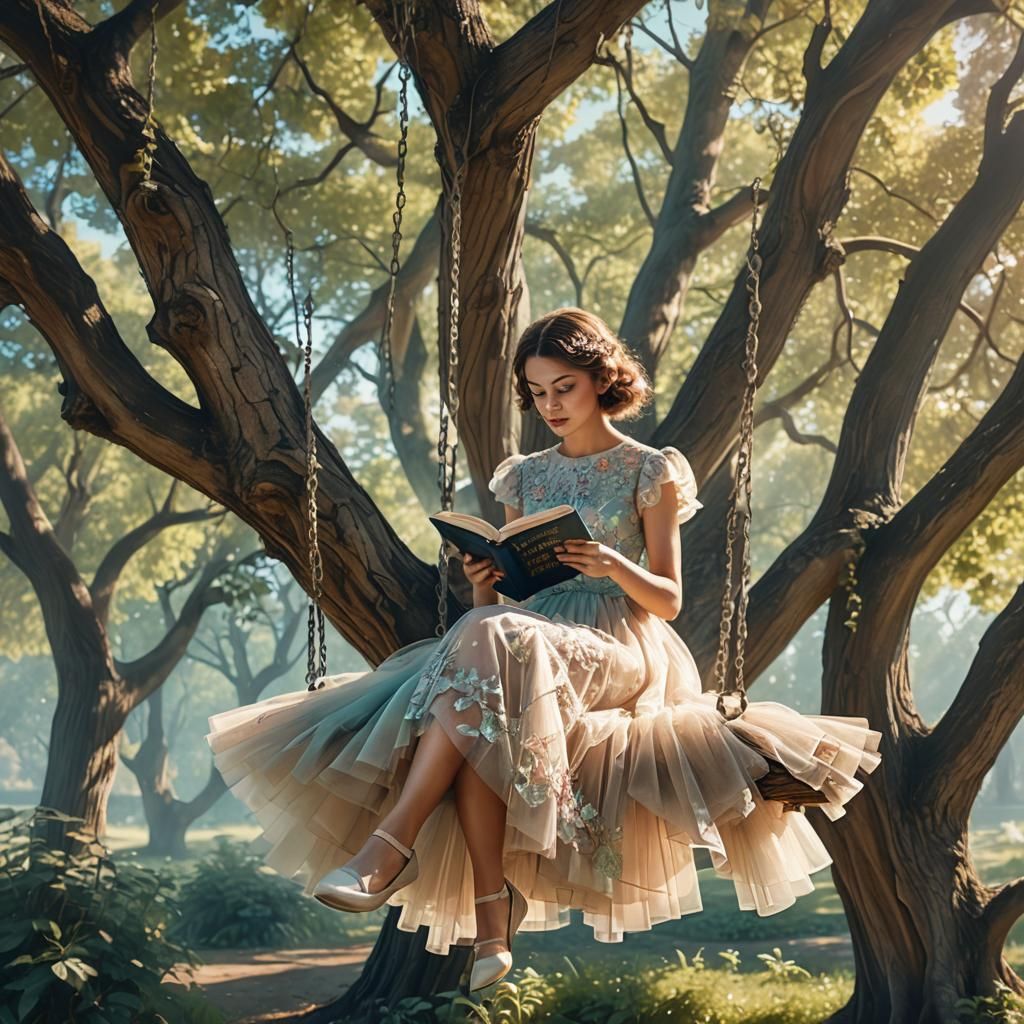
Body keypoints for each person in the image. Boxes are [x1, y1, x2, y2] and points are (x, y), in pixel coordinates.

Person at [205, 306, 882, 993]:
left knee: (490, 657)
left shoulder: (650, 469)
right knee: (484, 686)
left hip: (621, 642)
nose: (549, 405)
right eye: (536, 392)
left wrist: (609, 564)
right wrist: (483, 586)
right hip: (527, 641)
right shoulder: (523, 477)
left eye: (564, 387)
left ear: (600, 379)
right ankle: (491, 926)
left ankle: (392, 849)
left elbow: (669, 599)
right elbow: (507, 611)